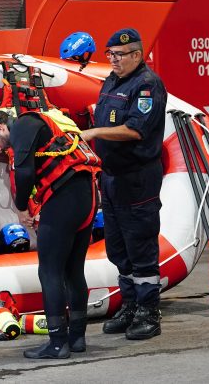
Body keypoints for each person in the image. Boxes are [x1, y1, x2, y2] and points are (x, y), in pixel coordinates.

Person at [0, 108, 99, 359]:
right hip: (86, 197)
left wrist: (22, 208)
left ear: (0, 127)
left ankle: (57, 343)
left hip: (65, 199)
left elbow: (25, 173)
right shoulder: (44, 124)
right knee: (73, 271)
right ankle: (77, 338)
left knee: (49, 272)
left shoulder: (23, 125)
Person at [80, 27, 167, 340]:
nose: (113, 60)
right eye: (110, 54)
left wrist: (94, 133)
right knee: (118, 248)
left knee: (141, 245)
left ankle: (149, 312)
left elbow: (135, 130)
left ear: (137, 55)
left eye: (119, 55)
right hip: (112, 177)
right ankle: (130, 305)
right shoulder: (112, 81)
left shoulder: (147, 85)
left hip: (137, 178)